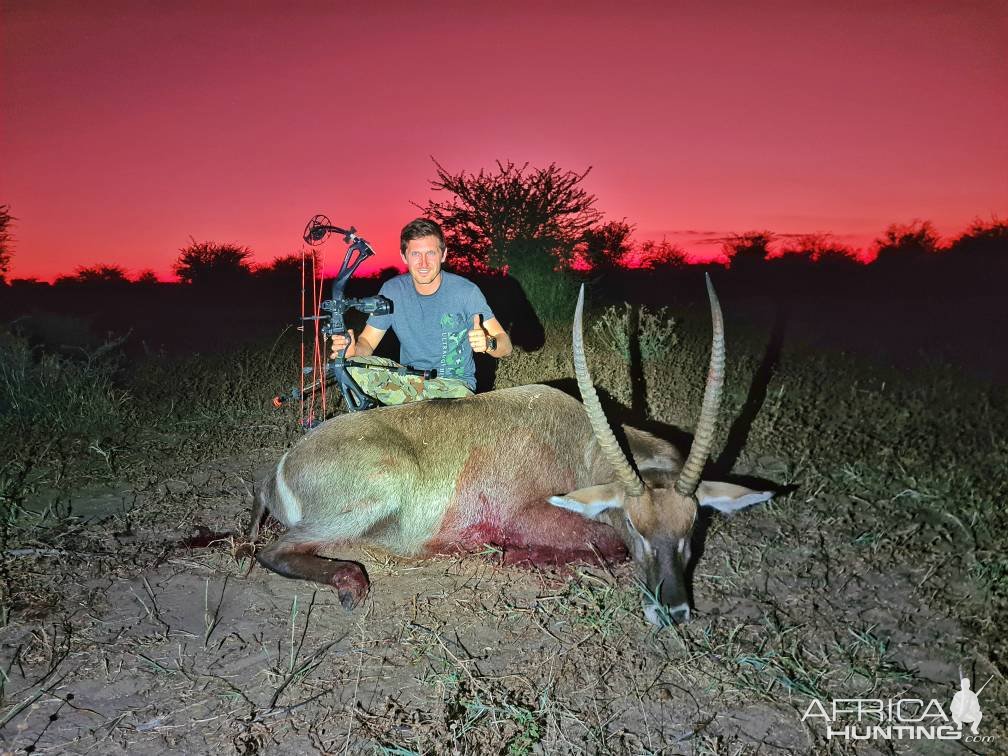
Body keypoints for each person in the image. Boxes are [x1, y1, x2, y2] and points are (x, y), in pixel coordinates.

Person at [330, 218, 512, 404]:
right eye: (416, 254)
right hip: (409, 383)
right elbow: (367, 342)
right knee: (352, 368)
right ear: (404, 256)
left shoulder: (466, 292)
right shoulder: (392, 291)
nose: (423, 263)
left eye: (431, 253)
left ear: (443, 255)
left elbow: (506, 346)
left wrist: (488, 343)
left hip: (455, 389)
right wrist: (353, 351)